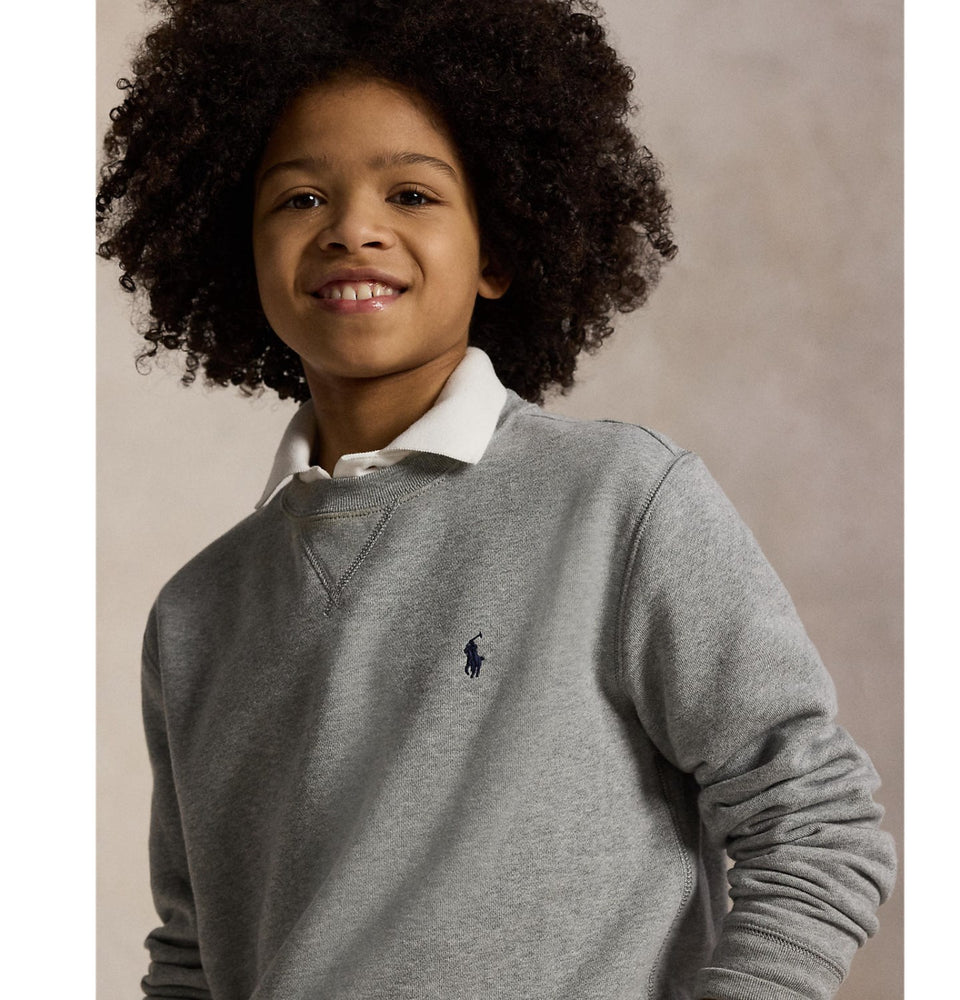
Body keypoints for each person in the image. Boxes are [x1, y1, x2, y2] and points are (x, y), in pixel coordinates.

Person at [97, 1, 896, 998]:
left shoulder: (619, 504)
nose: (352, 228)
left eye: (412, 194)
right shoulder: (195, 614)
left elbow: (816, 824)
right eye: (300, 198)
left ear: (498, 251)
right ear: (238, 248)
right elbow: (193, 954)